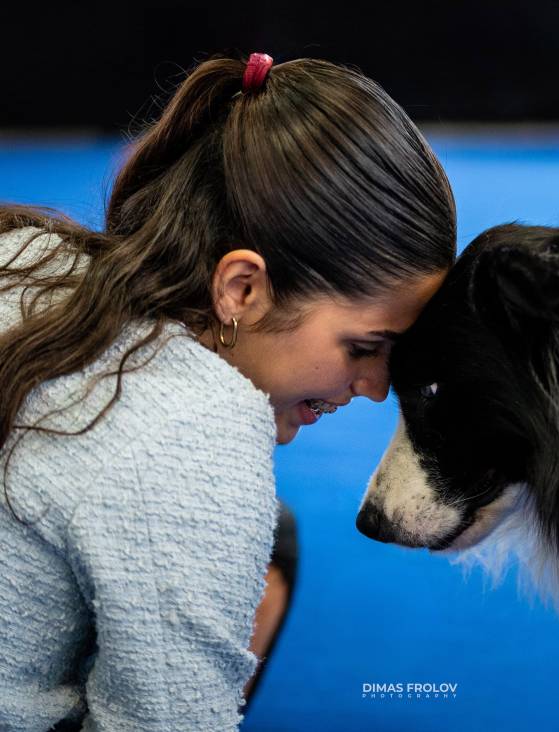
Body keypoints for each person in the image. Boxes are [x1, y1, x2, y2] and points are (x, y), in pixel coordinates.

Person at [0, 51, 455, 731]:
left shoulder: (30, 253)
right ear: (241, 288)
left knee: (276, 537)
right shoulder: (193, 439)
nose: (375, 389)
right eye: (364, 348)